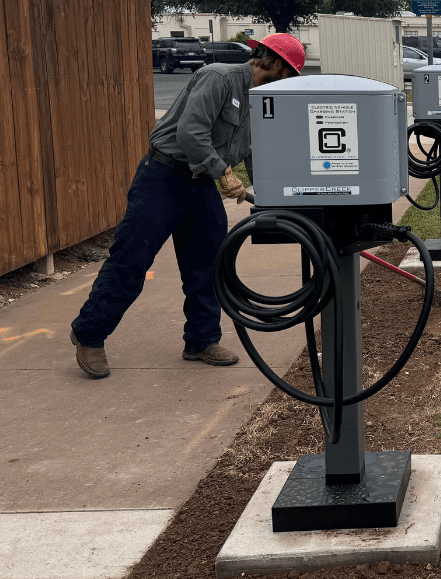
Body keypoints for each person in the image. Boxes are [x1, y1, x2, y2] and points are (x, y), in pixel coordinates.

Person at [70, 33, 306, 379]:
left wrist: (275, 196)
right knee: (131, 260)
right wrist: (223, 174)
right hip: (163, 176)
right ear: (276, 64)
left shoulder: (260, 100)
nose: (290, 83)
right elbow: (191, 132)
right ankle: (89, 334)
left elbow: (259, 150)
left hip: (200, 184)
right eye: (291, 75)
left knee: (208, 265)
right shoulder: (219, 78)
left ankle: (201, 340)